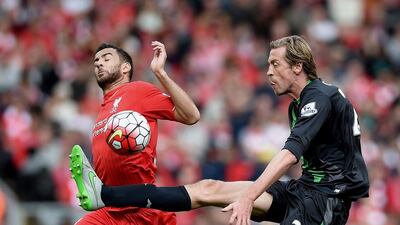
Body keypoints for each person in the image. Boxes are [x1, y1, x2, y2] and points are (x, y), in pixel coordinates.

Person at [70, 36, 369, 225]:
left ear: (298, 67)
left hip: (327, 201)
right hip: (305, 191)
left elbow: (290, 154)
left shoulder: (319, 97)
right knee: (208, 189)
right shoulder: (299, 103)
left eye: (275, 64)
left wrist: (249, 196)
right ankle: (105, 194)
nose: (268, 72)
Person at [69, 41, 200, 225]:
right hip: (112, 210)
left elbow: (191, 115)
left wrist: (160, 74)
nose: (99, 63)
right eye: (96, 61)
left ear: (125, 67)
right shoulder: (102, 111)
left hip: (143, 208)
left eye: (106, 58)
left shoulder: (138, 91)